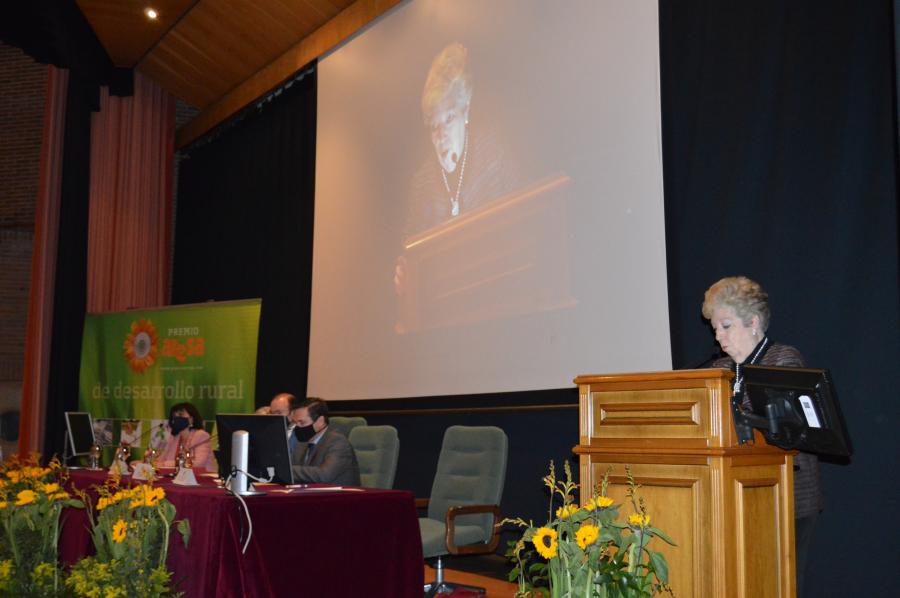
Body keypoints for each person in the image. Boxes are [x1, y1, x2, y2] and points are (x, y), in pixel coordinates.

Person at [701, 276, 822, 597]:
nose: (718, 337)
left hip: (786, 498)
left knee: (777, 585)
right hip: (736, 496)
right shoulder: (721, 368)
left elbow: (782, 431)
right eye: (715, 328)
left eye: (726, 326)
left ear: (753, 322)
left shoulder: (782, 359)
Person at [289, 397, 360, 486]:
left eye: (302, 423)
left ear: (320, 421)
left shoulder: (337, 442)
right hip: (310, 494)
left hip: (340, 496)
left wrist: (287, 470)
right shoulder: (302, 443)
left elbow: (324, 475)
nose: (297, 427)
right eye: (295, 423)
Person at [157, 402, 214, 471]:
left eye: (181, 414)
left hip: (201, 478)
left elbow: (198, 463)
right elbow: (161, 459)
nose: (177, 418)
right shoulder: (174, 438)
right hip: (179, 478)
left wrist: (166, 464)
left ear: (191, 419)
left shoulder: (201, 435)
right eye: (174, 416)